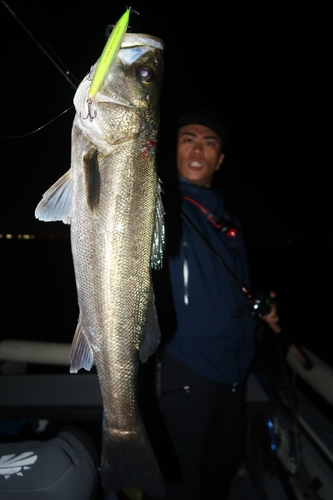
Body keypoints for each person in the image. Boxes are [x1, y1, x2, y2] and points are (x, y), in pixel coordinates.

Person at [146, 109, 279, 500]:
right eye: (188, 137)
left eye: (209, 141)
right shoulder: (160, 205)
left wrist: (259, 309)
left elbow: (233, 288)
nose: (198, 147)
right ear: (170, 150)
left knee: (220, 470)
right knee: (181, 482)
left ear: (220, 159)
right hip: (187, 365)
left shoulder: (229, 221)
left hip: (236, 368)